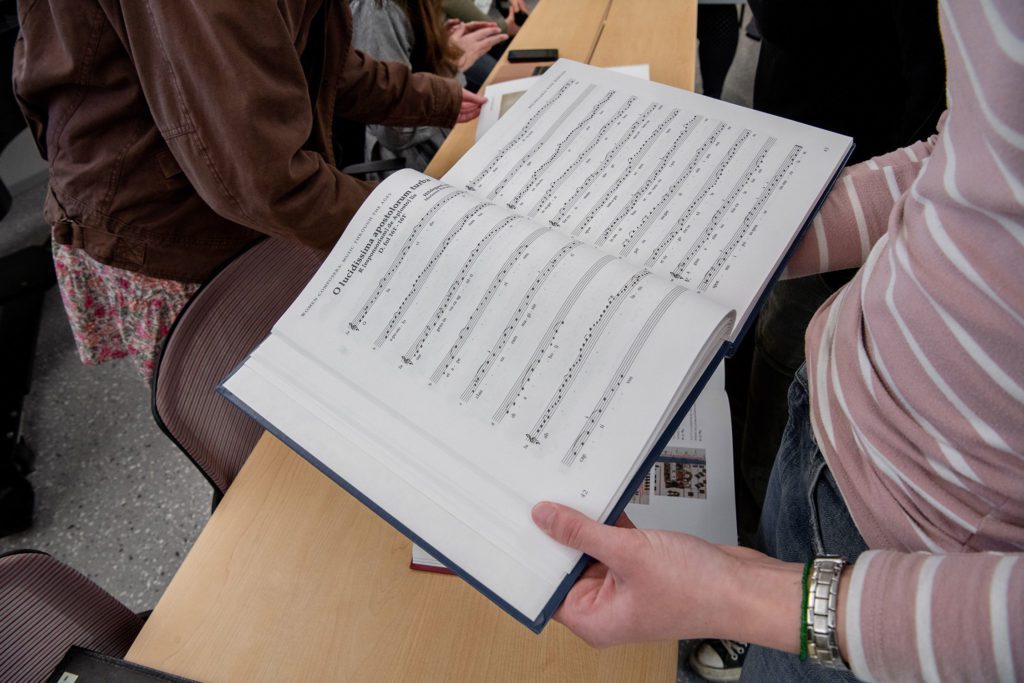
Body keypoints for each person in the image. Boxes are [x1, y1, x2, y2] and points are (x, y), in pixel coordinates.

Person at [533, 1, 1024, 680]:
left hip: (919, 579)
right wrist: (735, 241)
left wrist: (740, 596)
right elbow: (964, 164)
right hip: (833, 421)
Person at [12, 0, 486, 383]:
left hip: (225, 194)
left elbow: (308, 58)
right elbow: (266, 180)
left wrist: (433, 98)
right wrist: (428, 225)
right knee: (257, 431)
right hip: (173, 232)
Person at [350, 0, 506, 171]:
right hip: (418, 162)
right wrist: (449, 68)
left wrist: (438, 45)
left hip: (440, 131)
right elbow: (395, 131)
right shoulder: (377, 10)